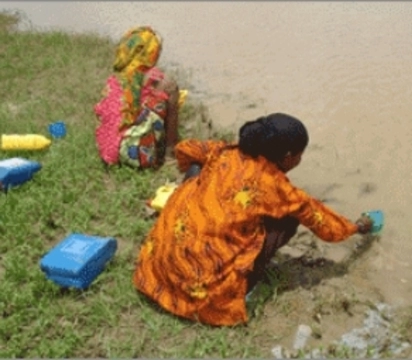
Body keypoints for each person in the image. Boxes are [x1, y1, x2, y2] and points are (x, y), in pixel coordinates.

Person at [133, 113, 373, 326]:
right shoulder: (276, 186)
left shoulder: (224, 151)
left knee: (197, 171)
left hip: (159, 269)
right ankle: (247, 286)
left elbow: (186, 149)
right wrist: (358, 227)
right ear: (288, 157)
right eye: (300, 156)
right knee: (289, 219)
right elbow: (325, 225)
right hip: (201, 292)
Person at [94, 26, 181, 169]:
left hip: (107, 154)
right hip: (135, 157)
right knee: (170, 91)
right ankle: (169, 155)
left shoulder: (114, 80)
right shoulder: (161, 81)